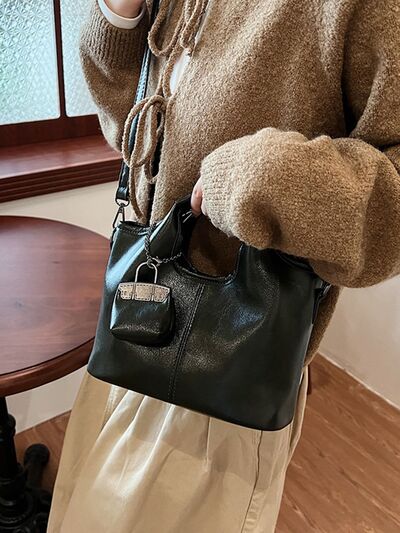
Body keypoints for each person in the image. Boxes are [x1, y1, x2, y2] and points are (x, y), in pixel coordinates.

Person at [47, 0, 400, 531]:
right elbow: (134, 135)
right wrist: (119, 17)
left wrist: (259, 180)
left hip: (225, 375)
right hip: (133, 326)